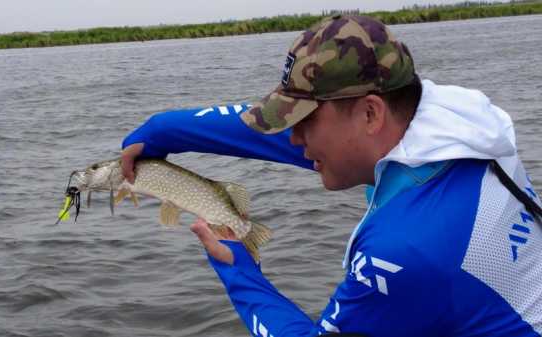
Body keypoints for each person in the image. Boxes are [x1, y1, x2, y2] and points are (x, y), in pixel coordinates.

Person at [121, 15, 542, 337]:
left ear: (371, 113)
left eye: (304, 121)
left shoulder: (405, 251)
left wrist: (239, 270)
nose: (292, 137)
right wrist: (162, 131)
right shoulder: (453, 125)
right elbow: (281, 136)